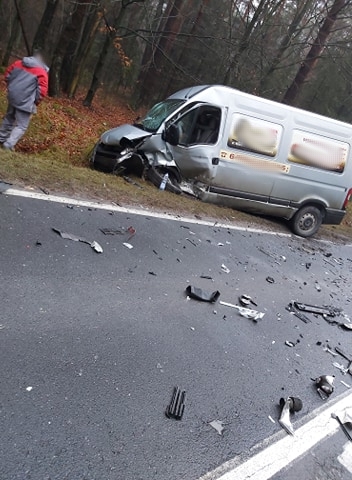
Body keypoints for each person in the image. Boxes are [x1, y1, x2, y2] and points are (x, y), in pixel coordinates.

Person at [0, 52, 49, 150]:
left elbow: (7, 75)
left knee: (9, 118)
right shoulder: (41, 72)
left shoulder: (18, 63)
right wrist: (35, 102)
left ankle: (1, 138)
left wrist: (12, 88)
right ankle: (8, 144)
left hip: (13, 96)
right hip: (26, 101)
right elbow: (42, 91)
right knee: (22, 125)